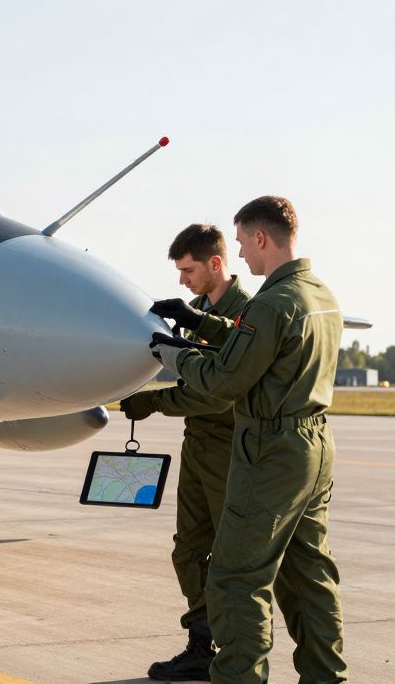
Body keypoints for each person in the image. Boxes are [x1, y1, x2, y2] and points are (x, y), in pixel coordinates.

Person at [150, 196, 346, 684]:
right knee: (308, 577)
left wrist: (175, 356)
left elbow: (223, 381)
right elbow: (259, 347)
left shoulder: (273, 302)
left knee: (237, 577)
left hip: (271, 450)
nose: (240, 254)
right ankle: (325, 676)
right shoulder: (319, 295)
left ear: (261, 237)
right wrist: (202, 323)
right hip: (314, 447)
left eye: (241, 242)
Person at [120, 224, 250, 681]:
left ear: (216, 264)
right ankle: (201, 641)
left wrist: (153, 402)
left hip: (231, 447)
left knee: (231, 555)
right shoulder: (194, 311)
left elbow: (219, 393)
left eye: (189, 270)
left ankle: (237, 650)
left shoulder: (249, 315)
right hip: (197, 444)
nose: (183, 281)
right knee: (188, 551)